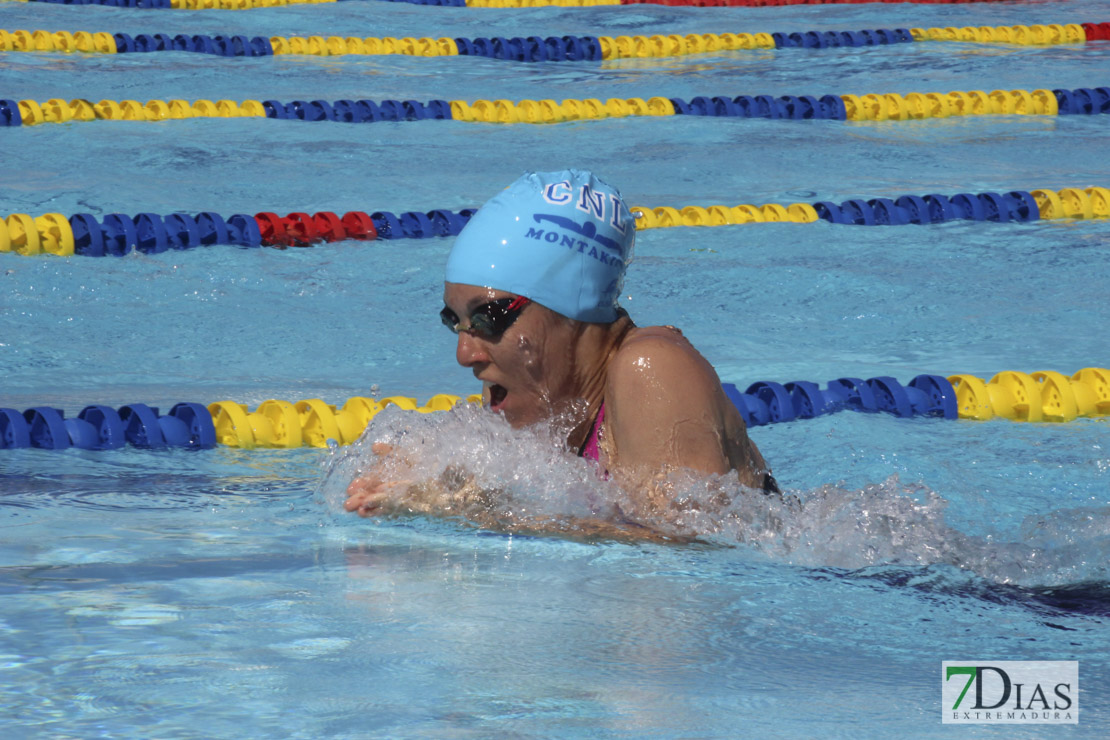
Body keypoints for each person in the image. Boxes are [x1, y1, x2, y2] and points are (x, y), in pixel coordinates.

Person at [345, 169, 777, 535]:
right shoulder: (546, 402)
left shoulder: (651, 368)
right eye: (454, 322)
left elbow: (693, 549)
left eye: (488, 318)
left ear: (571, 310)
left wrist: (471, 508)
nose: (465, 353)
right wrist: (433, 476)